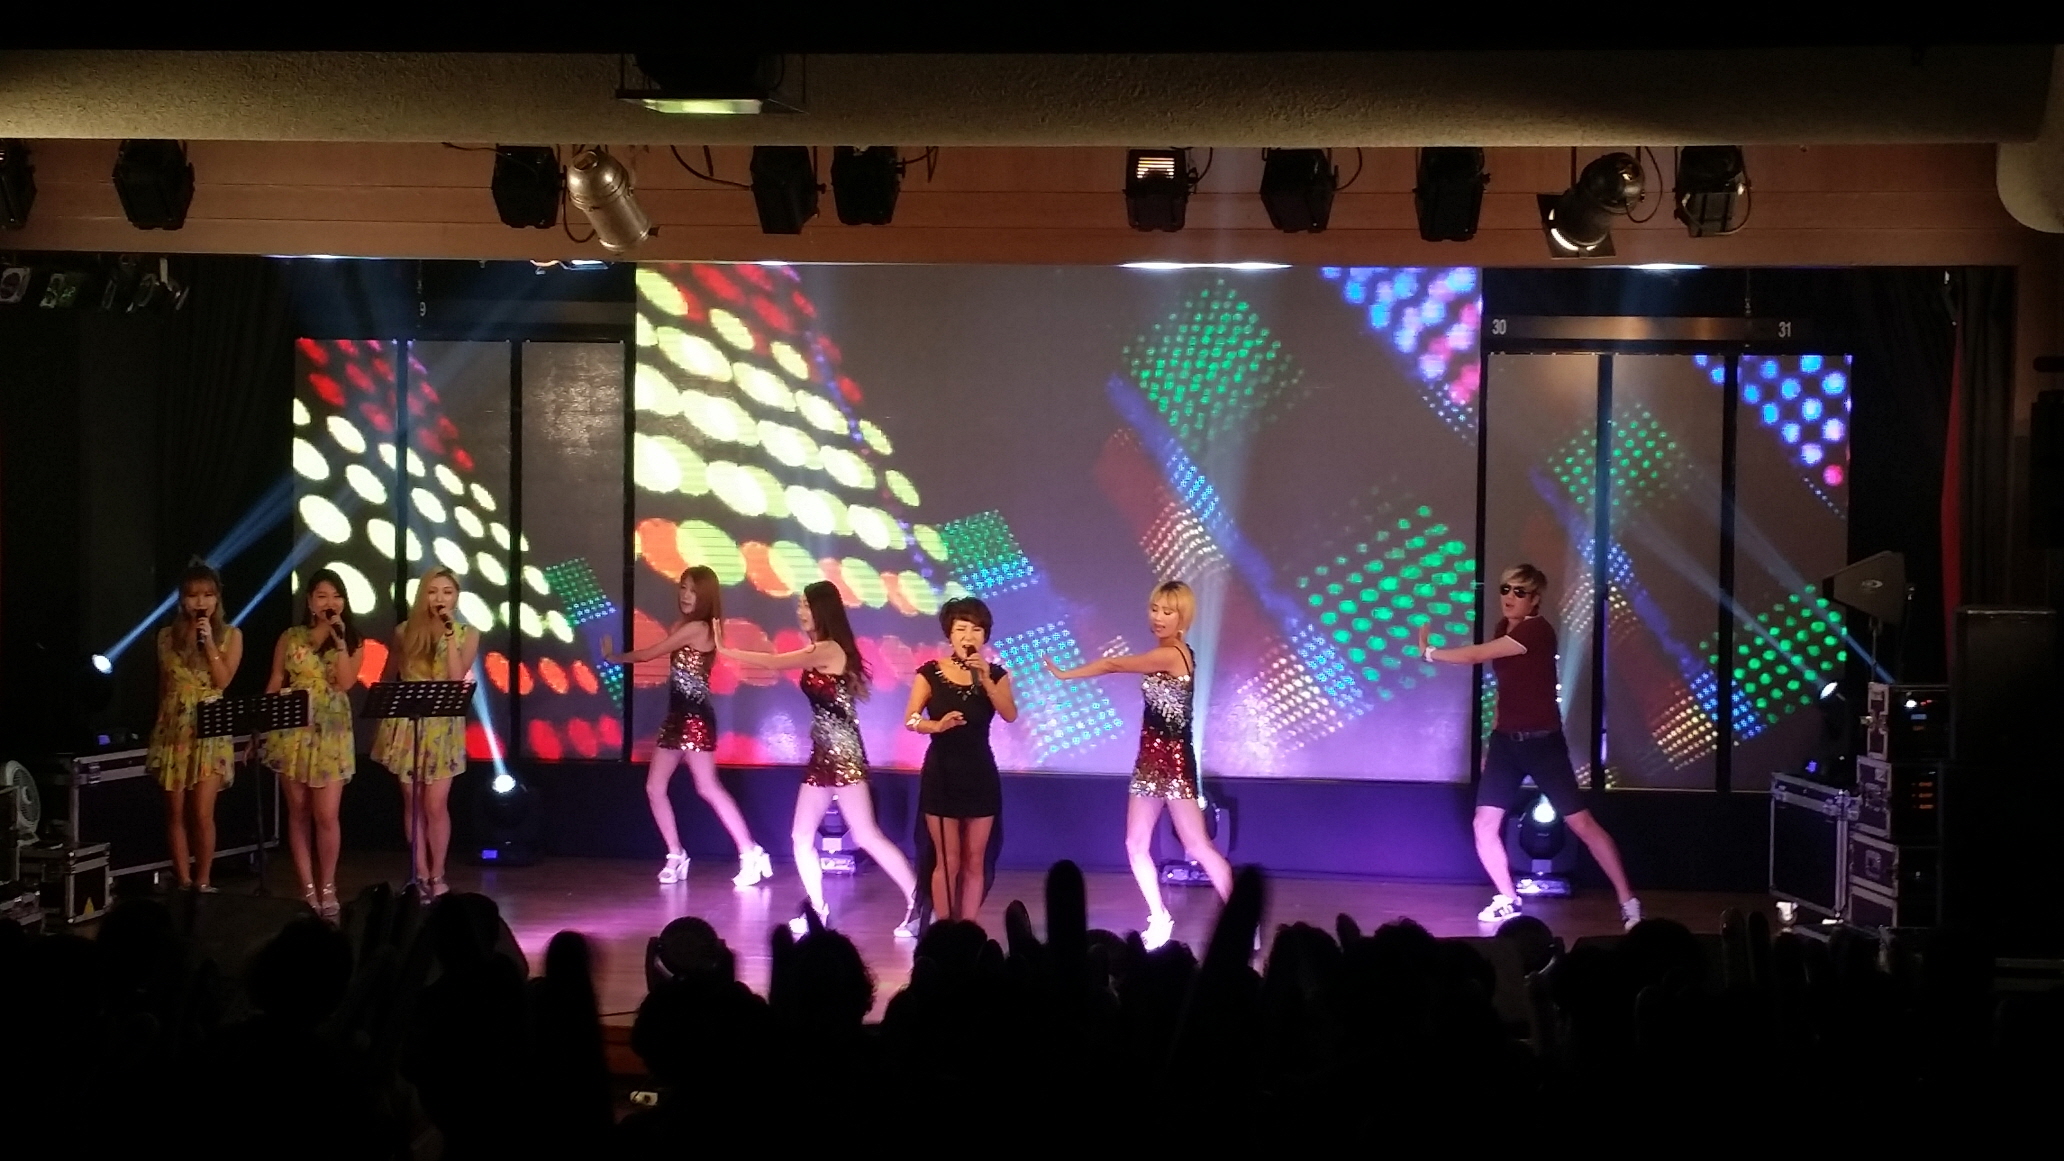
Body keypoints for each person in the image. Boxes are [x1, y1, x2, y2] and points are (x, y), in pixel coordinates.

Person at [1418, 563, 1642, 929]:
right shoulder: (1503, 628)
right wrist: (1493, 741)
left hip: (1543, 745)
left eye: (1519, 592)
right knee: (1484, 825)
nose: (1510, 597)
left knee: (1582, 823)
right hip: (1506, 744)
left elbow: (1474, 655)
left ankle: (1628, 902)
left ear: (1535, 600)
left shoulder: (1537, 630)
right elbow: (1506, 690)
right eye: (1505, 589)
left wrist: (1430, 652)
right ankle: (1508, 898)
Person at [720, 580, 919, 936]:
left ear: (822, 610)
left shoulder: (827, 649)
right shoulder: (823, 648)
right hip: (823, 754)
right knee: (800, 835)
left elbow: (775, 662)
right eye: (799, 605)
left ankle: (918, 902)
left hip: (843, 754)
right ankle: (817, 910)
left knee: (867, 835)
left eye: (806, 606)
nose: (800, 612)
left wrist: (727, 651)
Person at [1045, 580, 1230, 949]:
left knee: (1198, 846)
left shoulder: (1174, 654)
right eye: (1155, 609)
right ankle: (1159, 917)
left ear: (1183, 618)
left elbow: (1113, 663)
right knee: (1135, 844)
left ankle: (1241, 919)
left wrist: (1067, 674)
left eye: (1168, 611)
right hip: (1149, 762)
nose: (1158, 617)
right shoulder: (1166, 652)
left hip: (1173, 764)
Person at [602, 565, 772, 888]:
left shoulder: (699, 628)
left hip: (694, 718)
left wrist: (614, 657)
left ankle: (750, 851)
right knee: (654, 787)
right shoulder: (687, 625)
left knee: (707, 787)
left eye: (693, 590)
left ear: (705, 595)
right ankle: (676, 854)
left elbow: (651, 653)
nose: (685, 595)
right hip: (676, 716)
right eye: (683, 587)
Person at [901, 596, 1018, 924]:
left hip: (980, 774)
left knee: (974, 860)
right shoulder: (930, 673)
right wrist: (935, 726)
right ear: (949, 634)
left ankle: (968, 928)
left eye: (976, 630)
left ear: (985, 636)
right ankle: (945, 929)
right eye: (961, 629)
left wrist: (986, 680)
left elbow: (1010, 714)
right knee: (948, 860)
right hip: (942, 774)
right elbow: (910, 719)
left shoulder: (996, 675)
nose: (969, 636)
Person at [370, 567, 478, 898]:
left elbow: (457, 678)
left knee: (435, 803)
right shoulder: (405, 631)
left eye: (447, 591)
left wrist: (449, 637)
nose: (440, 598)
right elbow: (388, 675)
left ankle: (438, 873)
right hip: (408, 722)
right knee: (413, 801)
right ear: (423, 596)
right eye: (432, 592)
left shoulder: (468, 633)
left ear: (456, 596)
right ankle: (418, 873)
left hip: (443, 726)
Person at [261, 569, 362, 918]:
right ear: (309, 601)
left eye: (336, 596)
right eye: (322, 596)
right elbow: (276, 679)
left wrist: (340, 641)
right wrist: (262, 723)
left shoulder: (352, 639)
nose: (330, 602)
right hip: (293, 731)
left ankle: (328, 886)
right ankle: (307, 889)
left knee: (327, 815)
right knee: (299, 811)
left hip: (332, 732)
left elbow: (346, 682)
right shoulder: (290, 637)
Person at [145, 562, 244, 892]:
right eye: (193, 595)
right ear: (182, 600)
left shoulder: (232, 635)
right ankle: (183, 881)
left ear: (217, 599)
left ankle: (203, 881)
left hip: (210, 728)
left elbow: (223, 680)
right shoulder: (165, 637)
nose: (200, 602)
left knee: (202, 812)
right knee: (175, 811)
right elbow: (163, 685)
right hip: (174, 728)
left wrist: (210, 644)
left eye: (207, 595)